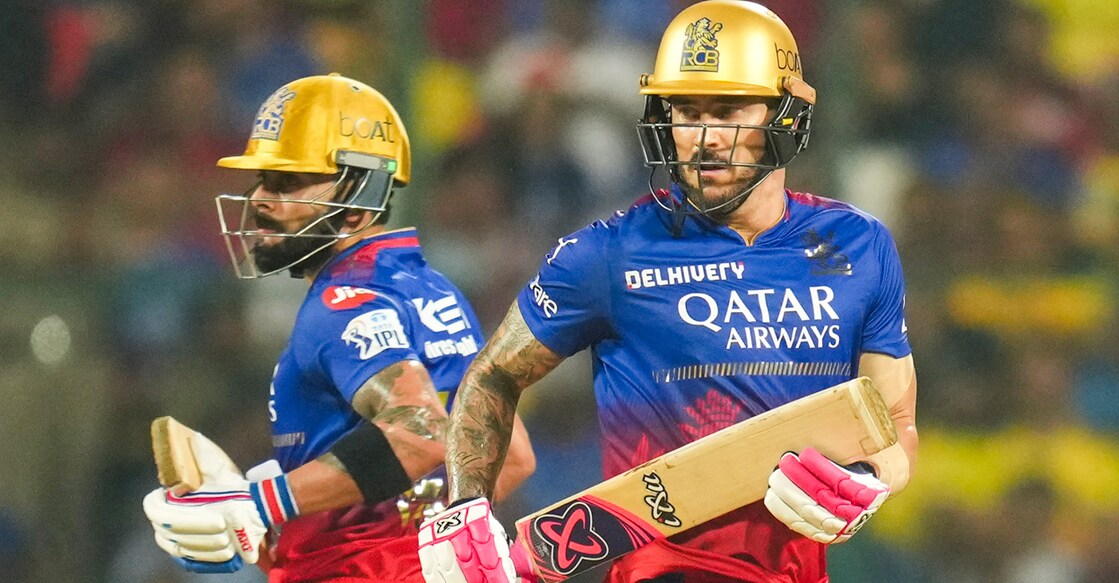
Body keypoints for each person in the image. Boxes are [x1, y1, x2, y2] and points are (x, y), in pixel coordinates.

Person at [416, 2, 918, 582]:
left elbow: (896, 421)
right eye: (686, 111)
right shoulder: (606, 254)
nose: (703, 137)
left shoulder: (860, 245)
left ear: (786, 115)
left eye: (728, 110)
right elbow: (494, 373)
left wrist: (870, 480)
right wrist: (463, 507)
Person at [140, 73, 536, 582]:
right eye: (262, 179)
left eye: (287, 182)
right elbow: (513, 455)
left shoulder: (337, 304)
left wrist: (259, 503)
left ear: (358, 194)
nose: (260, 198)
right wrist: (306, 512)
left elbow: (419, 434)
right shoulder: (432, 289)